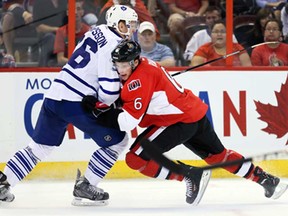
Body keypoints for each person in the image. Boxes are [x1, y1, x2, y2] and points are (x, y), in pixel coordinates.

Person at [84, 40, 288, 205]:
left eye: (124, 65)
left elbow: (128, 122)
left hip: (178, 121)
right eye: (118, 65)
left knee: (135, 159)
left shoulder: (138, 81)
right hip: (194, 113)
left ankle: (189, 175)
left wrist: (99, 113)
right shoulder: (146, 65)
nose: (120, 70)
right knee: (219, 156)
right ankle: (265, 180)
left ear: (135, 62)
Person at [0, 5, 138, 206]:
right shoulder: (114, 45)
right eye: (130, 24)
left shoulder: (97, 30)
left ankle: (4, 181)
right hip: (77, 102)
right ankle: (86, 185)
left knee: (40, 146)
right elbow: (108, 94)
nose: (132, 29)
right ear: (118, 24)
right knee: (118, 141)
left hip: (55, 94)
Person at [53, 0, 90, 66]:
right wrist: (77, 62)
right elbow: (60, 59)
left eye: (78, 9)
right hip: (67, 69)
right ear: (67, 12)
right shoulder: (61, 31)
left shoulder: (89, 31)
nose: (75, 12)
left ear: (82, 12)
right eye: (72, 9)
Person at [32, 0, 68, 66]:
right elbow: (38, 27)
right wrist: (57, 30)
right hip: (46, 35)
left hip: (64, 34)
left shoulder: (65, 2)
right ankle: (44, 67)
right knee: (50, 38)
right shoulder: (39, 2)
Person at [1, 0, 36, 65]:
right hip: (24, 25)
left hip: (40, 24)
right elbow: (12, 7)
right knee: (8, 17)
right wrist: (24, 13)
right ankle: (10, 54)